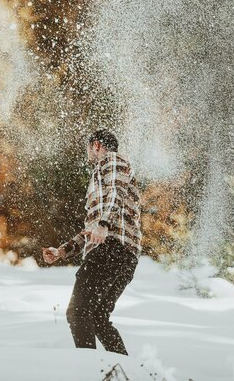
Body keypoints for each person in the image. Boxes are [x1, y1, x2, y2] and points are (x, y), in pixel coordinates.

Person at [42, 129, 142, 355]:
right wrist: (63, 251)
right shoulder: (99, 179)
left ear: (96, 145)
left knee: (77, 312)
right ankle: (121, 371)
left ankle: (89, 371)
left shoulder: (112, 160)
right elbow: (91, 228)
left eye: (88, 148)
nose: (87, 153)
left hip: (112, 249)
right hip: (124, 256)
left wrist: (105, 224)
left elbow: (116, 192)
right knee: (97, 318)